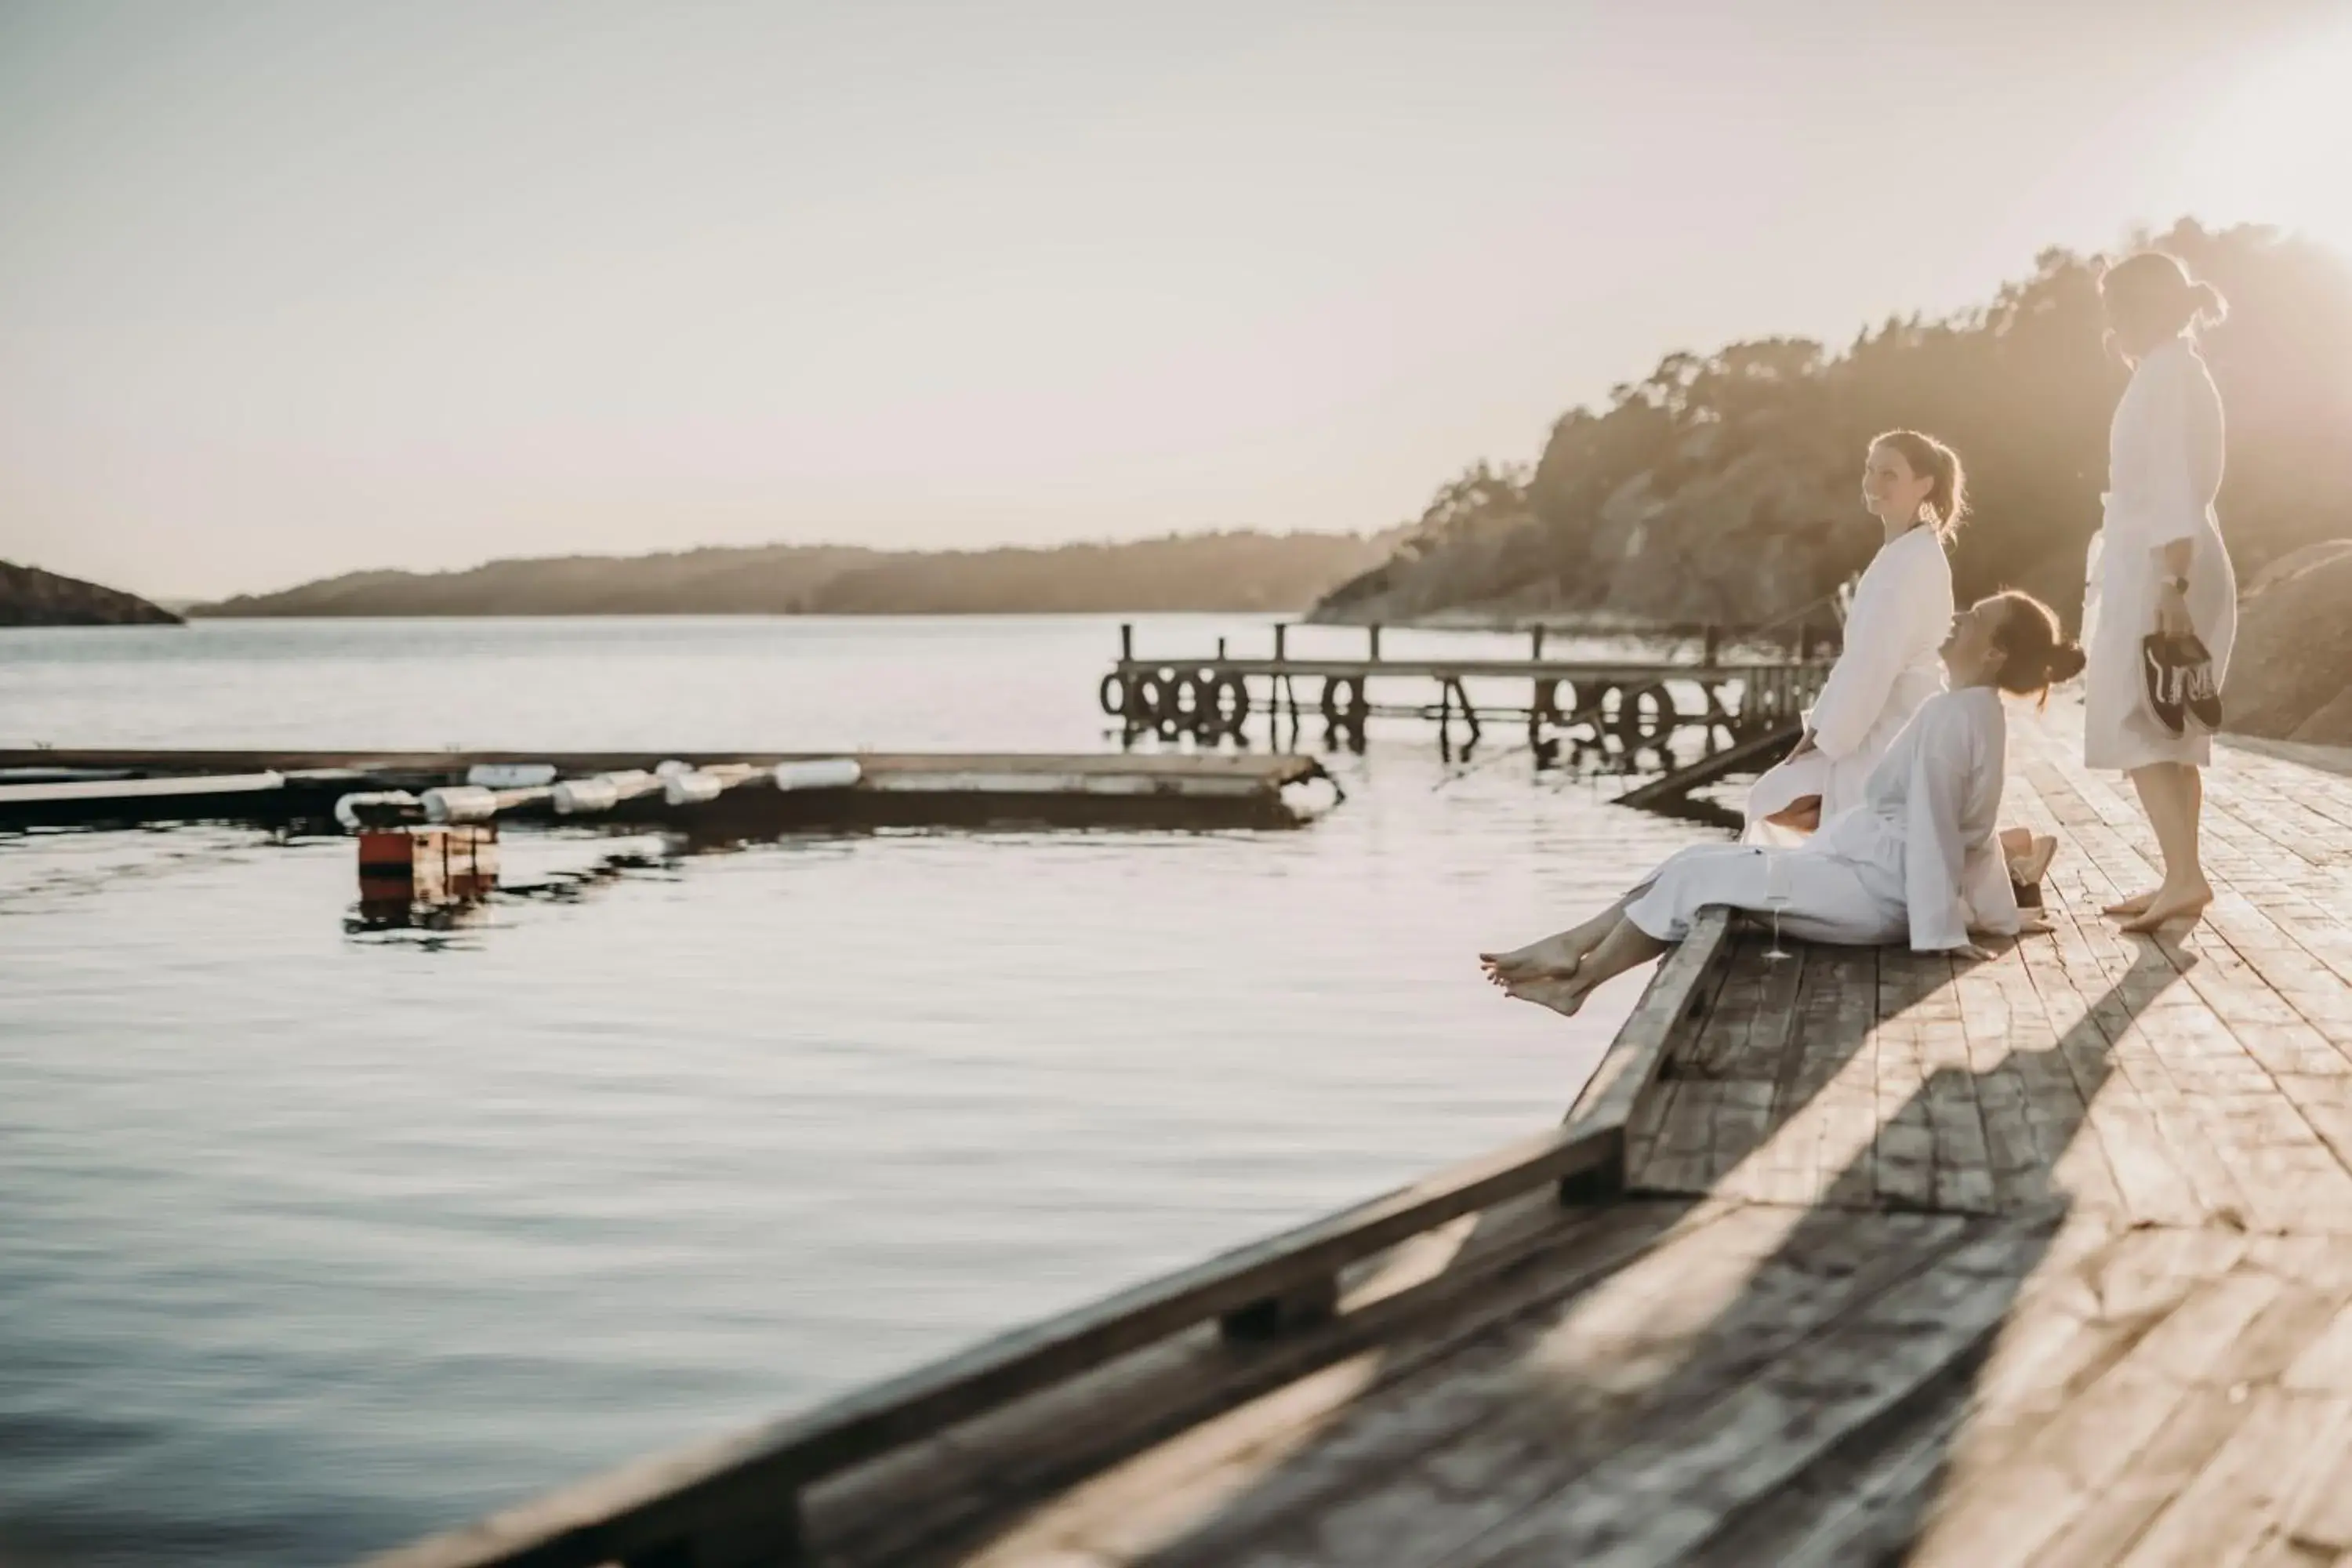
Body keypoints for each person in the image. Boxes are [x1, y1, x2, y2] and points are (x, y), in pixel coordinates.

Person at [1480, 591, 2082, 1016]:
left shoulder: (1955, 718)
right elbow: (1972, 835)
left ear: (1996, 652)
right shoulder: (1972, 712)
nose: (1959, 616)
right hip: (1870, 880)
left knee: (1698, 873)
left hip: (1878, 896)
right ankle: (1574, 955)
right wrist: (1997, 914)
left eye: (1976, 616)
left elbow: (1939, 833)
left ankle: (1578, 980)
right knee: (1695, 860)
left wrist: (1944, 933)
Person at [2082, 252, 2237, 934]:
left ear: (2137, 308)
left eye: (2113, 305)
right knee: (2171, 722)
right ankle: (2179, 875)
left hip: (2164, 567)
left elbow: (2173, 480)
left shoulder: (2167, 373)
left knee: (2140, 720)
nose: (2107, 319)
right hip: (2163, 560)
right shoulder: (2168, 367)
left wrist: (2173, 582)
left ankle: (2186, 877)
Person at [1744, 430, 1962, 843]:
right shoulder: (1901, 553)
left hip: (1894, 721)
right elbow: (1858, 661)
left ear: (1924, 485)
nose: (1873, 484)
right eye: (1870, 470)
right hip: (1879, 713)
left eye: (1890, 475)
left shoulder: (1910, 564)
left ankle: (1996, 854)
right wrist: (1815, 733)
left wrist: (1829, 741)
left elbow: (1873, 666)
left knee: (1771, 799)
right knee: (1780, 799)